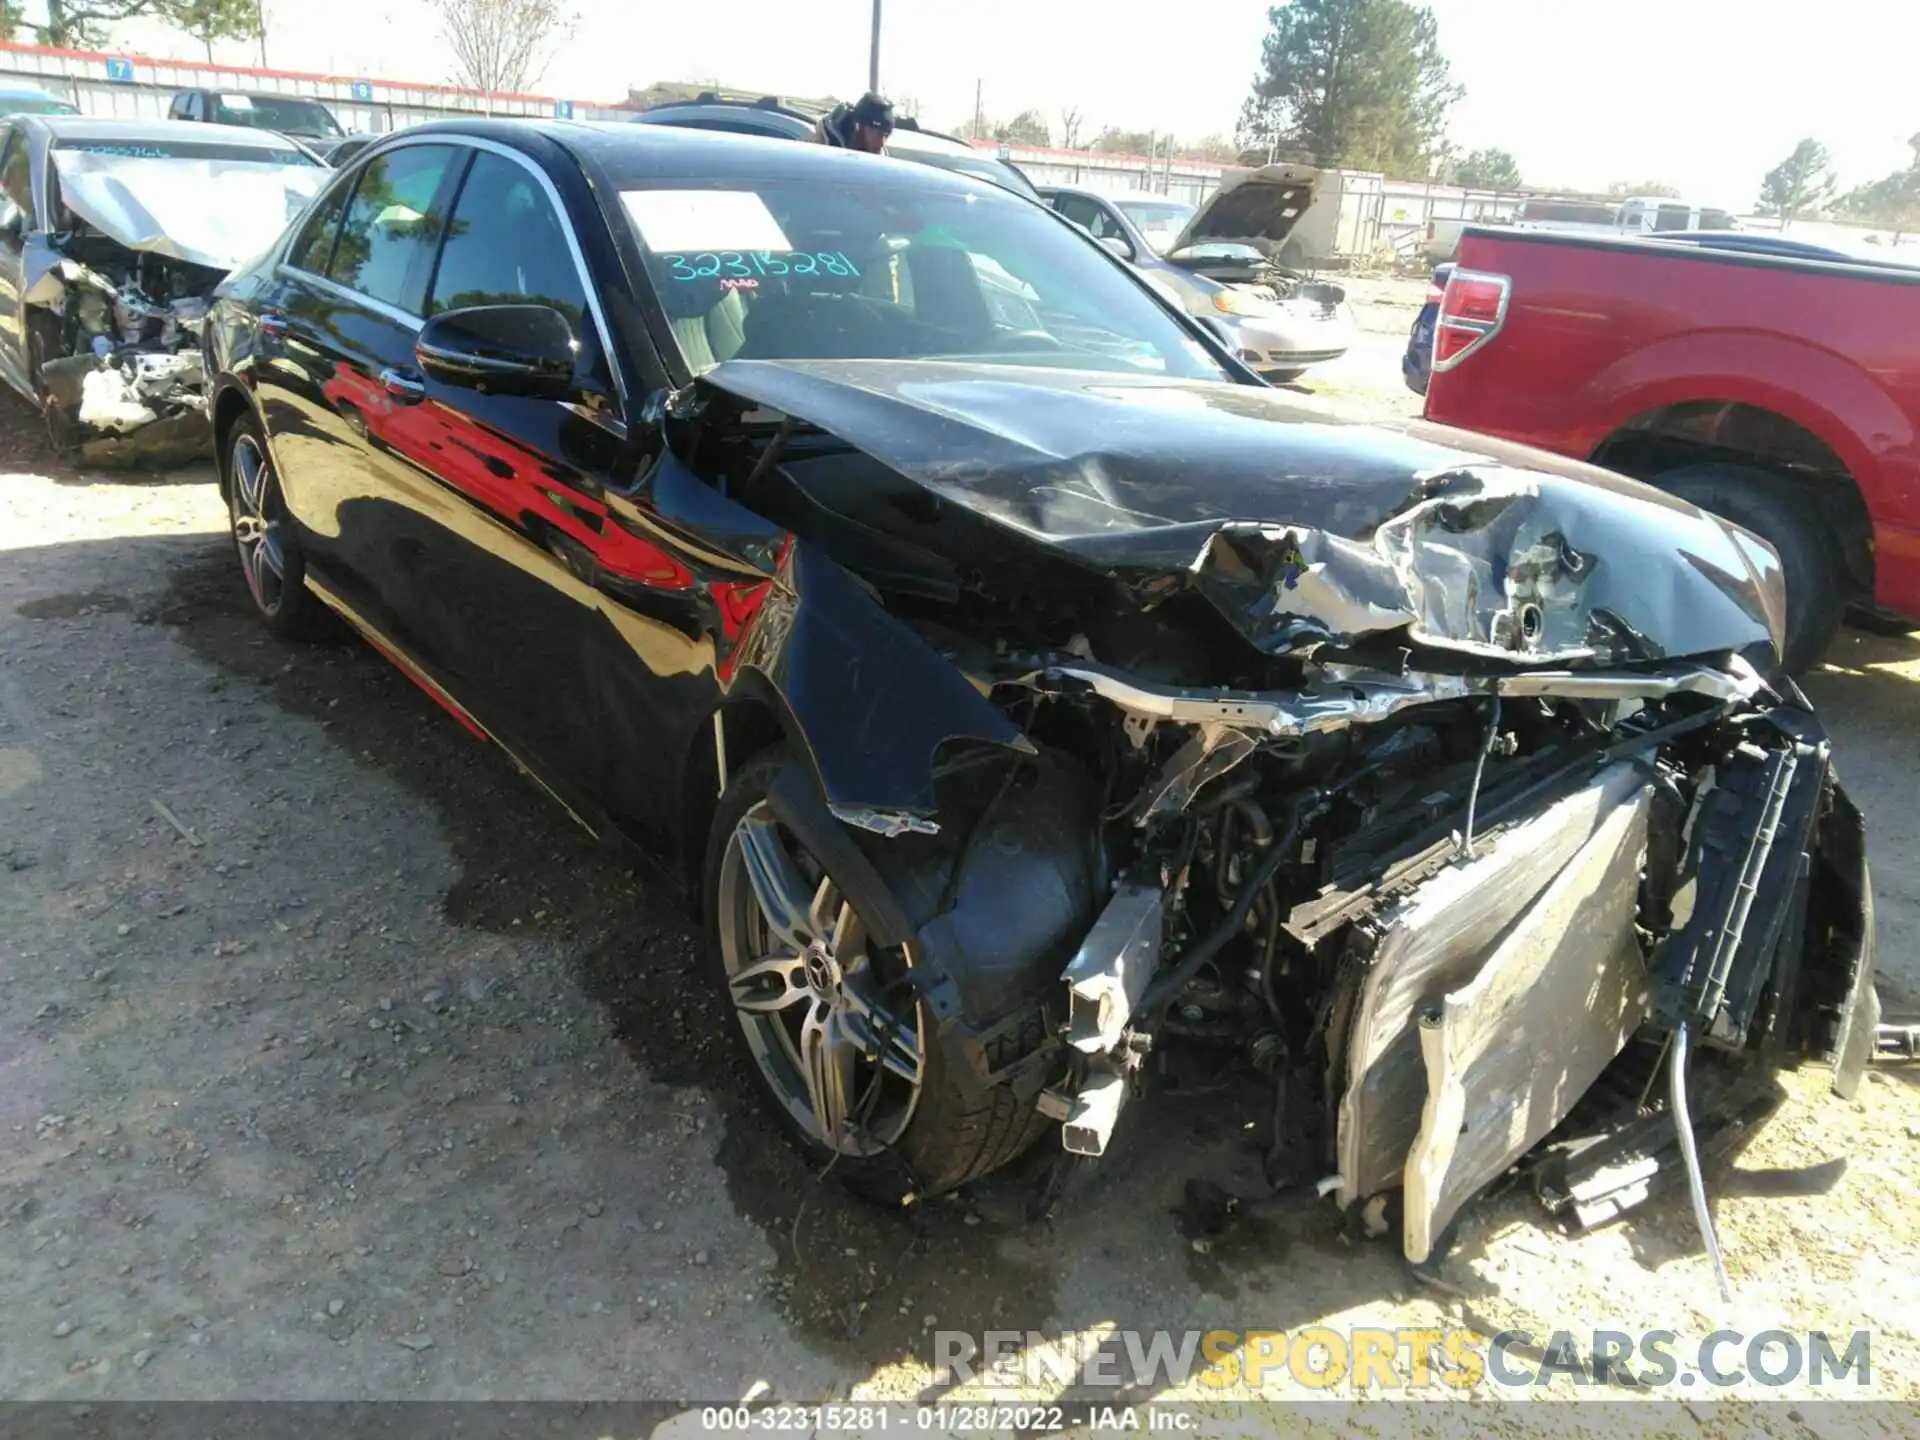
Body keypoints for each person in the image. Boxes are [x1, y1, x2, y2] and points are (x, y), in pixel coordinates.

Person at [817, 92, 894, 153]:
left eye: (886, 135)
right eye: (878, 134)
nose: (882, 143)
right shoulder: (820, 148)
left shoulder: (879, 155)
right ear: (859, 126)